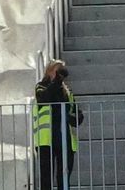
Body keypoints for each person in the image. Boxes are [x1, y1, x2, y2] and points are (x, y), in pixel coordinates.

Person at [34, 59, 80, 190]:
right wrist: (56, 81)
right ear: (49, 71)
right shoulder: (41, 87)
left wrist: (73, 118)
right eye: (57, 71)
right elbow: (44, 98)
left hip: (64, 139)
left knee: (64, 178)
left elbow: (78, 113)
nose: (60, 74)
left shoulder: (67, 92)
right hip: (46, 140)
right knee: (46, 179)